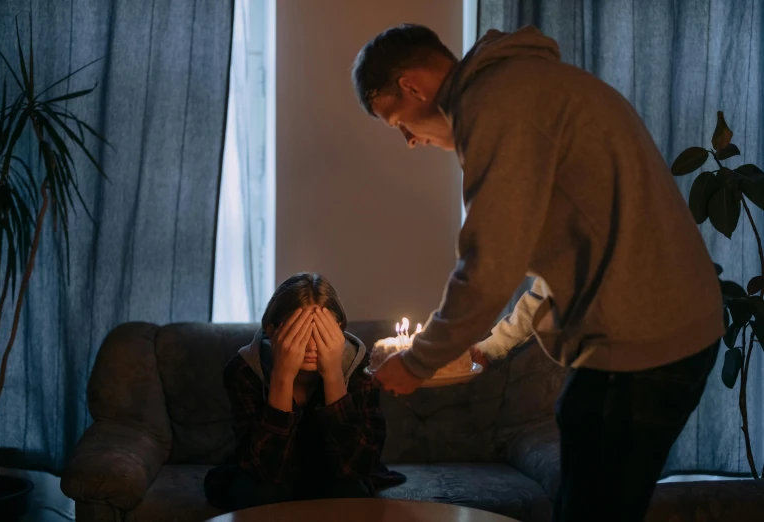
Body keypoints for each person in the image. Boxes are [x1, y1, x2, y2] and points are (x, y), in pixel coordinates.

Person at [351, 24, 723, 522]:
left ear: (413, 87)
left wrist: (418, 362)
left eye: (397, 122)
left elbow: (488, 264)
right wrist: (490, 346)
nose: (410, 141)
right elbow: (560, 258)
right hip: (662, 330)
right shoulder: (521, 88)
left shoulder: (497, 105)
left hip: (643, 340)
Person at [204, 272, 405, 510]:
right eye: (298, 332)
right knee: (256, 493)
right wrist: (282, 376)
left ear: (339, 330)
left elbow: (356, 467)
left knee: (349, 492)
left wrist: (333, 375)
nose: (311, 345)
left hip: (332, 473)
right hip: (267, 476)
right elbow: (264, 470)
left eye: (322, 331)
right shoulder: (245, 370)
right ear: (271, 330)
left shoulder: (360, 367)